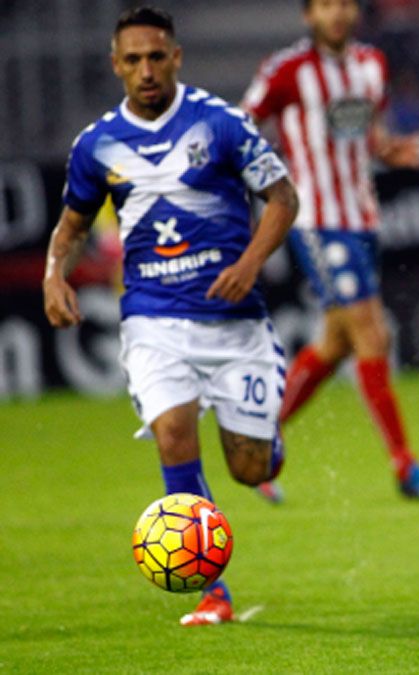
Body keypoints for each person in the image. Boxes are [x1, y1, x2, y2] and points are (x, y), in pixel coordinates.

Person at [43, 6, 299, 626]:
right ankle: (213, 590)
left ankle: (265, 450)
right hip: (153, 321)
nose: (146, 70)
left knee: (248, 467)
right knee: (174, 435)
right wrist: (55, 273)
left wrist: (249, 261)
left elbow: (282, 198)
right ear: (116, 66)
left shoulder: (222, 123)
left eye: (157, 56)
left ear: (176, 57)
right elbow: (74, 226)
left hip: (235, 323)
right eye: (133, 60)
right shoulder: (96, 143)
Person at [241, 0, 419, 503]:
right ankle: (405, 466)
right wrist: (266, 188)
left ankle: (258, 446)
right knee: (372, 331)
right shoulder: (287, 72)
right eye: (324, 6)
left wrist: (387, 150)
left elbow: (367, 132)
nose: (336, 14)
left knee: (335, 343)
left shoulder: (371, 64)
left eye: (343, 4)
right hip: (316, 221)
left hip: (361, 219)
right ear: (307, 16)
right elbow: (241, 129)